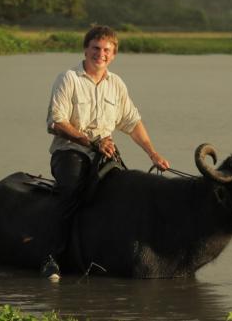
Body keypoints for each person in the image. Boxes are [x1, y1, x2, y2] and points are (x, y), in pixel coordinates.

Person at [44, 25, 169, 279]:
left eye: (107, 50)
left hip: (104, 153)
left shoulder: (117, 84)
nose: (101, 54)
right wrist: (91, 141)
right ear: (85, 49)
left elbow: (132, 123)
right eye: (96, 48)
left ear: (113, 55)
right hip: (70, 151)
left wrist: (153, 154)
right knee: (71, 191)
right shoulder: (69, 78)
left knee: (126, 192)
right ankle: (52, 257)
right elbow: (56, 123)